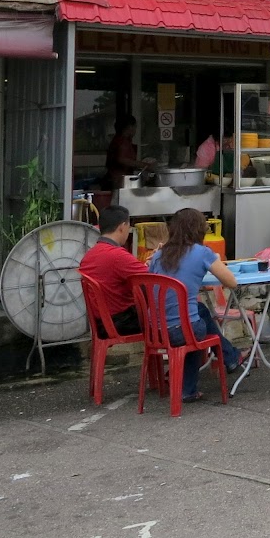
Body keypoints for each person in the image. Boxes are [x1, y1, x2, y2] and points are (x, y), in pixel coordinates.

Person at [146, 208, 240, 402]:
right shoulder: (202, 253)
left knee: (199, 312)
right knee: (195, 325)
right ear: (199, 230)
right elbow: (231, 282)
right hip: (181, 331)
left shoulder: (158, 255)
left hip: (155, 330)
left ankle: (228, 359)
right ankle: (229, 357)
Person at [79, 205, 147, 334]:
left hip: (101, 322)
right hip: (120, 322)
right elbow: (152, 279)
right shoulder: (117, 255)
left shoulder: (90, 254)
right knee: (177, 316)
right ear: (122, 227)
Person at [105, 115, 152, 190]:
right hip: (119, 181)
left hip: (119, 179)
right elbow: (122, 159)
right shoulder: (121, 141)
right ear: (130, 127)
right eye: (135, 127)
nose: (135, 130)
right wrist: (144, 165)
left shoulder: (122, 141)